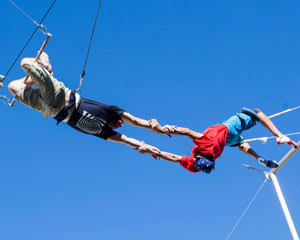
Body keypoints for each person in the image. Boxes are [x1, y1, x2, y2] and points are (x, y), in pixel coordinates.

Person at [7, 52, 173, 156]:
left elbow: (127, 141)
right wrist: (155, 128)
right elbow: (136, 121)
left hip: (49, 110)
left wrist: (149, 147)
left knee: (12, 86)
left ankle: (38, 76)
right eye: (121, 122)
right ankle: (46, 66)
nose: (121, 125)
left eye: (119, 126)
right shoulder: (111, 111)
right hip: (59, 95)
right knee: (25, 63)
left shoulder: (105, 132)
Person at [139, 108, 298, 173]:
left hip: (227, 142)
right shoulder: (203, 146)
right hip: (228, 129)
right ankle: (279, 135)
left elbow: (174, 158)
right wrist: (164, 130)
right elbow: (187, 132)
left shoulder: (202, 162)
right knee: (256, 112)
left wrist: (153, 151)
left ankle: (259, 158)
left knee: (241, 144)